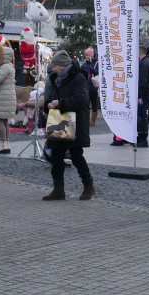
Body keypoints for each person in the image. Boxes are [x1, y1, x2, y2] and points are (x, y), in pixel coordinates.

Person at [41, 50, 94, 201]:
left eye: (55, 66)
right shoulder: (54, 79)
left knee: (76, 156)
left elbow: (81, 99)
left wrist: (60, 103)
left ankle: (88, 184)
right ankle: (58, 190)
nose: (53, 69)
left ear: (63, 66)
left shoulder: (78, 77)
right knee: (56, 156)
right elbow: (51, 98)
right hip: (59, 122)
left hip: (76, 122)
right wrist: (48, 104)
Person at [136, 45, 149, 147]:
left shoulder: (143, 64)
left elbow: (142, 81)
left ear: (139, 52)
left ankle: (142, 138)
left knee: (142, 116)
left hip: (143, 94)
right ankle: (142, 136)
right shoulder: (148, 62)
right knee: (143, 115)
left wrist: (139, 96)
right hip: (146, 93)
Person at [79, 47, 100, 127]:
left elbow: (100, 73)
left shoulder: (96, 63)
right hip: (85, 87)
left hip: (93, 87)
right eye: (86, 55)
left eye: (88, 55)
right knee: (85, 104)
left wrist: (93, 70)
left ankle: (93, 121)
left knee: (94, 104)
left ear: (92, 56)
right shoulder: (84, 65)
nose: (86, 57)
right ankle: (86, 120)